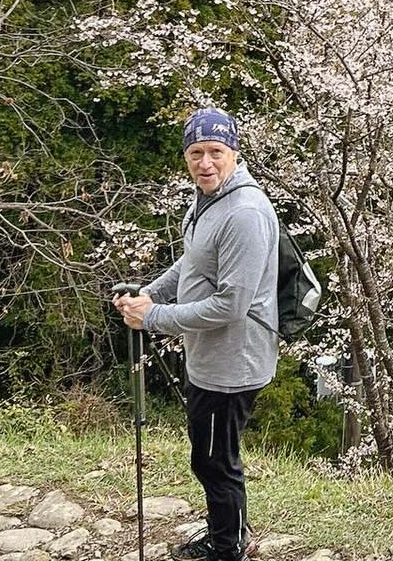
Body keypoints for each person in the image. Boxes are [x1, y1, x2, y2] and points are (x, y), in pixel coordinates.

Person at [113, 108, 278, 561]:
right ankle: (229, 534)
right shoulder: (207, 199)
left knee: (214, 461)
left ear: (234, 152)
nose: (205, 162)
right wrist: (150, 293)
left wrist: (154, 318)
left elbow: (232, 304)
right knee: (212, 456)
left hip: (232, 362)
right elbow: (192, 262)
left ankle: (228, 548)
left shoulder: (244, 213)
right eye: (196, 153)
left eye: (216, 152)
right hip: (209, 355)